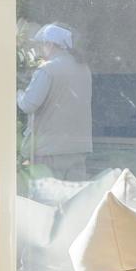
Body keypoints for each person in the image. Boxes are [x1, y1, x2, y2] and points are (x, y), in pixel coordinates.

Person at [18, 23, 93, 180]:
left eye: (41, 45)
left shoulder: (47, 69)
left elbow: (28, 105)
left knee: (49, 193)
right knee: (74, 193)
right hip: (78, 148)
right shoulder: (83, 69)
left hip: (50, 150)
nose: (40, 50)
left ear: (50, 44)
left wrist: (17, 93)